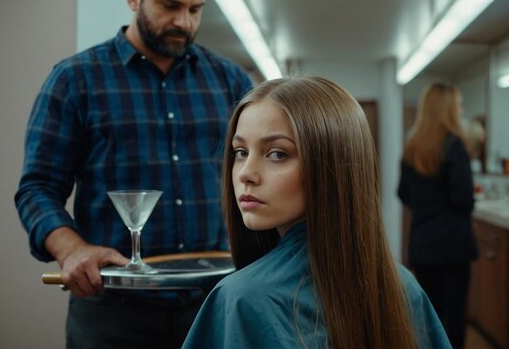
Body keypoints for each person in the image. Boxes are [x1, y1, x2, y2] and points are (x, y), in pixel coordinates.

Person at [14, 0, 252, 348]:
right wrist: (73, 250)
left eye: (195, 9)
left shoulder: (230, 80)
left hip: (212, 303)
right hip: (111, 309)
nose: (184, 22)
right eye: (170, 5)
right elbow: (37, 188)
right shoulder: (74, 79)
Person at [182, 77, 451, 348]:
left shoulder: (242, 299)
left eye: (277, 154)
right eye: (240, 152)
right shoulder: (403, 286)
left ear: (331, 165)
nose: (246, 174)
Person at [397, 83, 478, 349]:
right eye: (458, 105)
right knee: (453, 315)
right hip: (453, 246)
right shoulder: (454, 146)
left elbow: (402, 193)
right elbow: (464, 198)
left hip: (423, 243)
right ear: (447, 110)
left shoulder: (412, 147)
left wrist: (426, 206)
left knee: (428, 317)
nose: (461, 110)